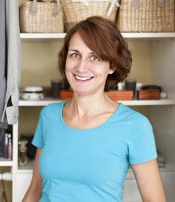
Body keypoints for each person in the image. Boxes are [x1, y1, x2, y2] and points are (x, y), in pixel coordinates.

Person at [23, 16, 166, 202]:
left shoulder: (135, 126)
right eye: (74, 54)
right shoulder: (49, 116)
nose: (81, 67)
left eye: (95, 57)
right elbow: (35, 190)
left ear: (112, 65)